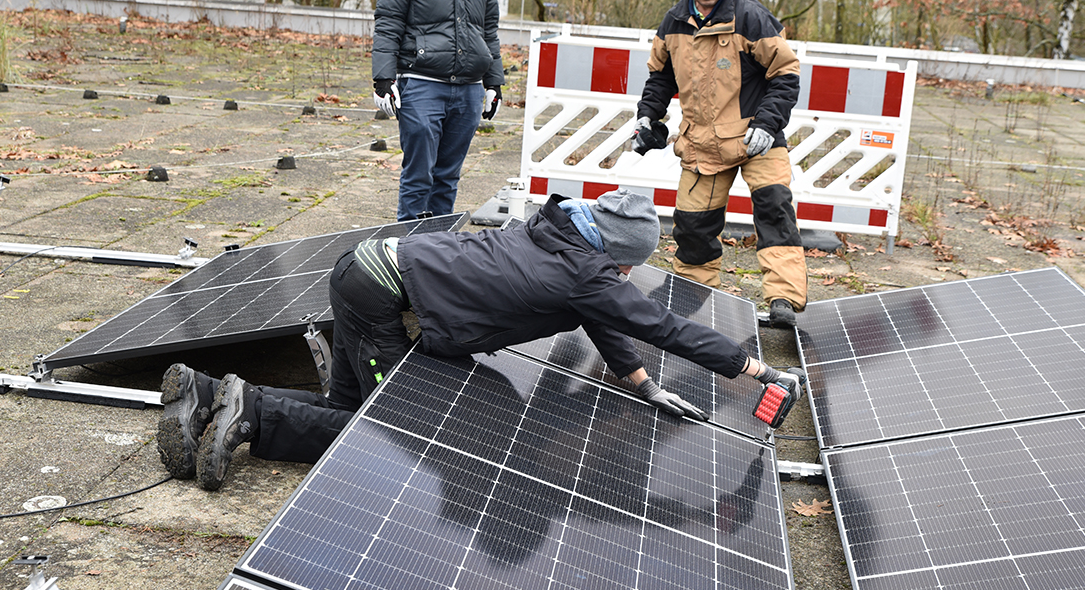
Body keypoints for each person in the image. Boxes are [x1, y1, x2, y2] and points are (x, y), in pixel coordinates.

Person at [157, 189, 805, 491]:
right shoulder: (587, 272)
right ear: (616, 253)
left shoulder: (562, 234)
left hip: (365, 269)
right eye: (631, 264)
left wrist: (642, 382)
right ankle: (247, 414)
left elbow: (607, 317)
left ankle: (207, 392)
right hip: (385, 298)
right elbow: (659, 323)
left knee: (349, 407)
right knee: (380, 426)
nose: (630, 276)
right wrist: (753, 368)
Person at [632, 0, 807, 329]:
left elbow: (786, 74)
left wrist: (767, 123)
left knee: (774, 211)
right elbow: (660, 78)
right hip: (702, 143)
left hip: (757, 138)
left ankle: (784, 300)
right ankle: (691, 297)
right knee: (693, 227)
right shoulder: (673, 22)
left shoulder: (751, 17)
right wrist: (647, 116)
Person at [370, 0, 505, 222]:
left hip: (468, 90)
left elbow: (488, 30)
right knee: (418, 176)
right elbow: (388, 24)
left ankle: (440, 253)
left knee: (447, 178)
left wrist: (494, 81)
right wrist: (383, 78)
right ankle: (408, 252)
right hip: (422, 84)